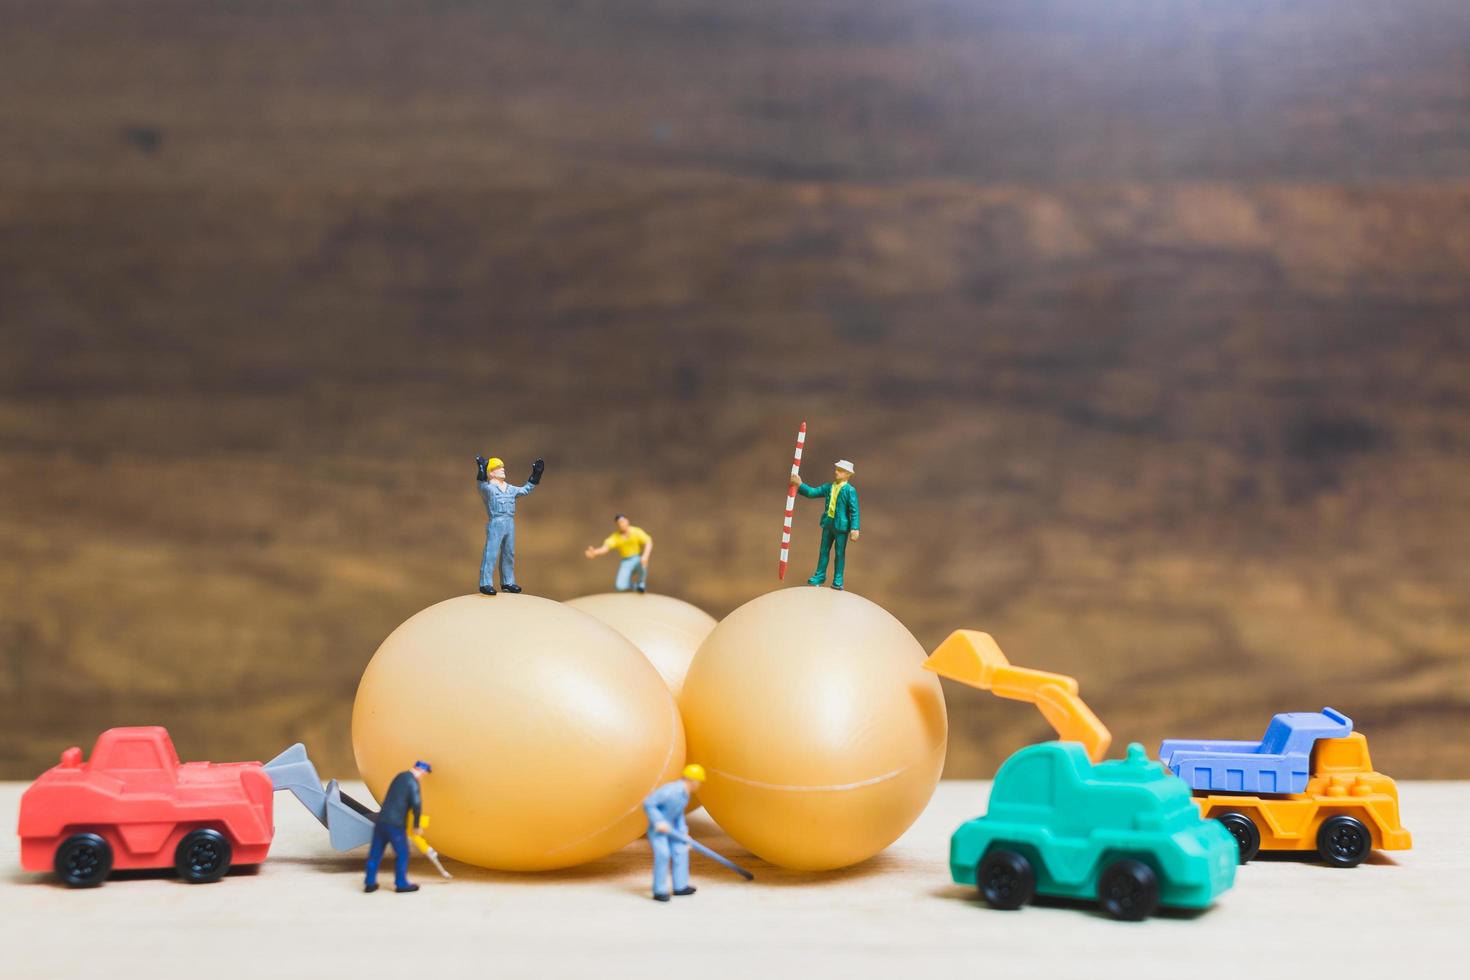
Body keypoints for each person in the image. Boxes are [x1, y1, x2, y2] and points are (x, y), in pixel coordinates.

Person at [475, 454, 544, 595]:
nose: (502, 469)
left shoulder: (510, 489)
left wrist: (536, 475)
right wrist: (481, 469)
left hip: (509, 522)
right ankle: (485, 583)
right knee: (491, 553)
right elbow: (480, 485)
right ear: (491, 472)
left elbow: (525, 490)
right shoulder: (489, 489)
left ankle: (508, 582)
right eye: (498, 468)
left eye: (502, 467)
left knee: (509, 553)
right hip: (496, 522)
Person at [789, 459, 860, 590]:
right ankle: (820, 575)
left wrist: (855, 528)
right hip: (828, 524)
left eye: (840, 470)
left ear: (847, 474)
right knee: (823, 551)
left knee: (839, 553)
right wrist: (799, 484)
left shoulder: (850, 491)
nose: (836, 472)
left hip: (841, 527)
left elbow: (854, 510)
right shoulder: (829, 487)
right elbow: (812, 493)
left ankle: (838, 580)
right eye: (836, 469)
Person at [364, 760, 431, 894]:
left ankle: (369, 883)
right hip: (395, 824)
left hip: (381, 821)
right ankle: (401, 884)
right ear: (421, 771)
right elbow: (416, 804)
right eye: (424, 773)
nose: (423, 777)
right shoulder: (412, 782)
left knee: (375, 853)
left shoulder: (400, 776)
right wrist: (416, 825)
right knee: (402, 853)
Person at [642, 764, 706, 902]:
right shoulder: (670, 791)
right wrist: (658, 821)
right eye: (699, 782)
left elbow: (678, 816)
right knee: (663, 854)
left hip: (674, 830)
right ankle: (659, 890)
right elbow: (649, 803)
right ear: (692, 781)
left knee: (681, 850)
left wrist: (684, 834)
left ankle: (680, 887)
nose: (699, 785)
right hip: (658, 829)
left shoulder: (685, 795)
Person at [583, 514, 653, 592]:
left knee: (643, 564)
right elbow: (605, 548)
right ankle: (635, 587)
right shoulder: (615, 537)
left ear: (627, 521)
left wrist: (645, 555)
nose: (622, 524)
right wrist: (595, 552)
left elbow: (648, 541)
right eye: (619, 523)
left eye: (623, 522)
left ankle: (641, 583)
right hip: (626, 562)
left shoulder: (636, 531)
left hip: (637, 559)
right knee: (620, 586)